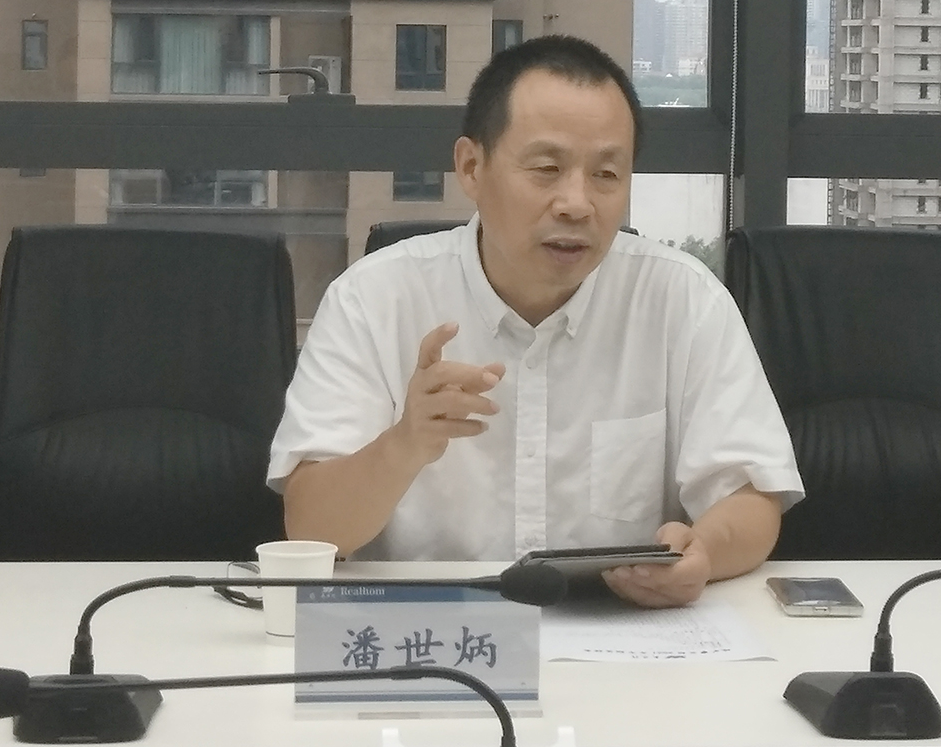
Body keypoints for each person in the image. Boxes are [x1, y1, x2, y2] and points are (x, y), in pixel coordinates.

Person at [267, 35, 803, 607]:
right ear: (471, 167)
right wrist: (404, 444)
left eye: (606, 175)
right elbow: (311, 527)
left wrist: (702, 553)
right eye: (547, 168)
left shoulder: (683, 298)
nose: (577, 204)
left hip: (616, 631)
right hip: (433, 634)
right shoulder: (372, 299)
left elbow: (751, 497)